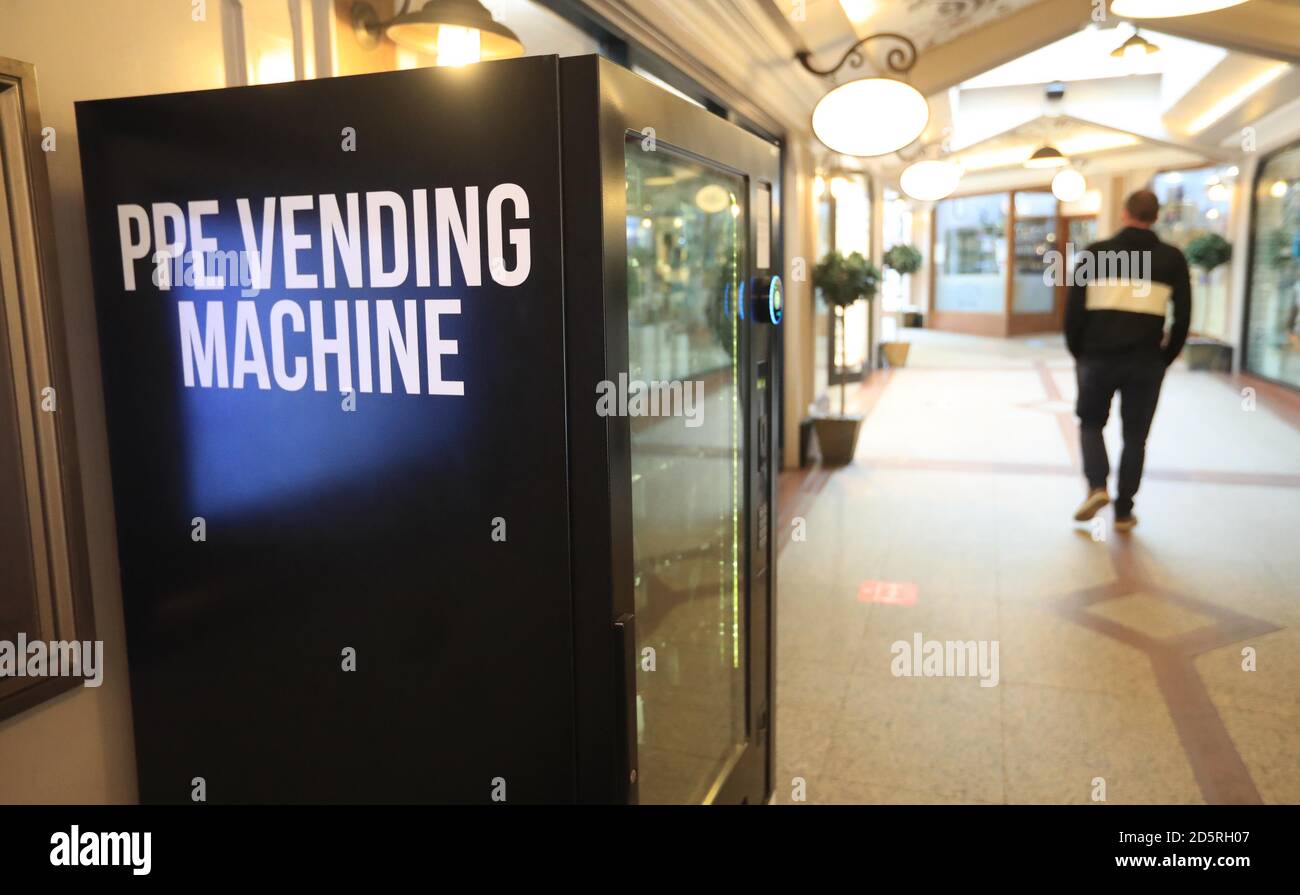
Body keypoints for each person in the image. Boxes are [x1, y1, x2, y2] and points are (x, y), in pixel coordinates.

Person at [1064, 189, 1191, 531]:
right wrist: (1167, 357)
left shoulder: (1095, 254)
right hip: (1146, 360)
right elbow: (1183, 317)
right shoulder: (1172, 259)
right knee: (1136, 437)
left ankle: (1097, 486)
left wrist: (1079, 351)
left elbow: (1073, 311)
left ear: (1123, 213)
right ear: (1156, 216)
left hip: (1097, 357)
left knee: (1091, 423)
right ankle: (1123, 512)